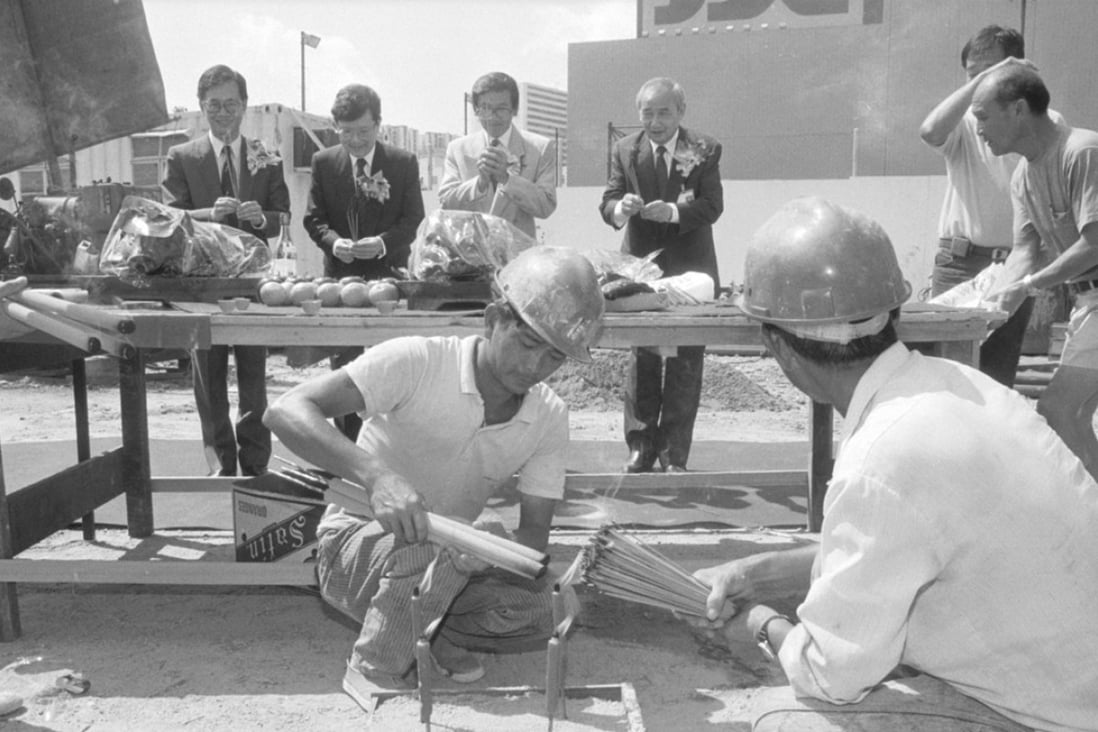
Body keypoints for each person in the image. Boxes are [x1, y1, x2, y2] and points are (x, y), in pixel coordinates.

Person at [691, 197, 1098, 730]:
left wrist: (758, 623)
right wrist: (757, 572)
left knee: (787, 718)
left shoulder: (881, 460)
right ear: (893, 312)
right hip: (1078, 676)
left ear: (781, 349)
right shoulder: (958, 387)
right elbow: (898, 537)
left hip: (1063, 716)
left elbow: (830, 674)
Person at [263, 247, 604, 710]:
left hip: (451, 561)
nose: (534, 368)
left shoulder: (548, 416)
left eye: (554, 358)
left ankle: (428, 628)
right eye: (526, 344)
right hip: (357, 550)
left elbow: (533, 545)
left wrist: (495, 551)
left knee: (554, 607)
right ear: (491, 320)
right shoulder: (418, 361)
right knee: (427, 544)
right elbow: (285, 411)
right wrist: (377, 477)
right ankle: (375, 665)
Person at [163, 64, 290, 477]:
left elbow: (281, 218)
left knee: (254, 376)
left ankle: (256, 463)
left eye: (230, 104)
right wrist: (205, 213)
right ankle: (220, 462)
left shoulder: (267, 157)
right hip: (201, 283)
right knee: (209, 377)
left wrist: (260, 219)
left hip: (254, 282)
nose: (223, 113)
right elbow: (169, 218)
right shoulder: (181, 157)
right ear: (201, 107)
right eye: (214, 105)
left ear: (244, 106)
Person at [599, 77, 723, 473]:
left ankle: (673, 453)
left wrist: (671, 212)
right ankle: (640, 445)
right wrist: (622, 207)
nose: (655, 122)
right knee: (644, 356)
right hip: (640, 269)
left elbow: (712, 206)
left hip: (692, 268)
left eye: (663, 112)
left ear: (681, 112)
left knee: (687, 359)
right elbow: (608, 202)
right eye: (647, 113)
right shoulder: (624, 149)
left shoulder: (703, 149)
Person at [979, 65, 1098, 482]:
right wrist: (989, 302)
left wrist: (1028, 287)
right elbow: (1025, 252)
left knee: (1061, 409)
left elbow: (1094, 242)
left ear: (1018, 109)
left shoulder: (1081, 152)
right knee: (1062, 412)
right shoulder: (1022, 178)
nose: (978, 130)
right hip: (1089, 304)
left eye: (982, 117)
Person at [918, 26, 1044, 387]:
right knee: (943, 376)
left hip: (1014, 266)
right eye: (973, 75)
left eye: (992, 71)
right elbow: (930, 131)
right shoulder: (965, 123)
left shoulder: (1040, 124)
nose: (983, 82)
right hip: (959, 263)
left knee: (995, 378)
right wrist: (985, 81)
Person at [303, 84, 425, 440]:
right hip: (340, 285)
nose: (355, 140)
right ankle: (350, 450)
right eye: (346, 132)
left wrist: (383, 244)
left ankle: (394, 447)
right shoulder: (323, 163)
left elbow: (413, 219)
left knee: (394, 368)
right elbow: (314, 220)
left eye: (363, 131)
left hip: (391, 282)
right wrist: (333, 242)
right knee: (345, 372)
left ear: (379, 124)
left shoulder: (402, 163)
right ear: (334, 125)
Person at [439, 72, 557, 240]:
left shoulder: (540, 148)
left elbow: (546, 206)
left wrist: (507, 180)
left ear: (514, 110)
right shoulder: (457, 149)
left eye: (501, 109)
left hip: (518, 255)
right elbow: (446, 203)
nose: (493, 117)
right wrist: (479, 184)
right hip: (471, 253)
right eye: (485, 108)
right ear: (476, 111)